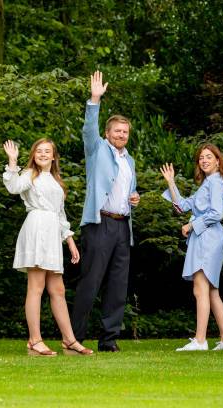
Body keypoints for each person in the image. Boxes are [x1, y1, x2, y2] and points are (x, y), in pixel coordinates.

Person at [3, 139, 93, 356]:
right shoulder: (28, 175)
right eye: (39, 151)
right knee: (36, 286)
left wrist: (70, 240)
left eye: (47, 151)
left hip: (52, 235)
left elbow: (60, 215)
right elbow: (13, 187)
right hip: (36, 231)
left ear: (54, 157)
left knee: (58, 289)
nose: (43, 154)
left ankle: (69, 340)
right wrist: (12, 161)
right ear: (33, 155)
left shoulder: (56, 181)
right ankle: (34, 340)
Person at [71, 71, 140, 353]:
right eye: (117, 131)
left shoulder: (130, 161)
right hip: (100, 224)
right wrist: (94, 100)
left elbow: (127, 190)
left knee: (117, 285)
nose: (121, 135)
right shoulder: (97, 149)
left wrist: (134, 198)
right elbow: (88, 130)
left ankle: (109, 340)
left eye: (125, 132)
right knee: (91, 281)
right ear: (108, 133)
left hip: (123, 227)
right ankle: (74, 338)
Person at [159, 144, 223, 351]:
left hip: (208, 238)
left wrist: (192, 224)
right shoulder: (207, 184)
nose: (204, 160)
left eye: (209, 157)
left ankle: (200, 341)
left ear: (218, 161)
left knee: (200, 289)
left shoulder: (215, 183)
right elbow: (182, 206)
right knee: (212, 291)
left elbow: (217, 213)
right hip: (207, 237)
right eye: (201, 158)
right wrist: (171, 182)